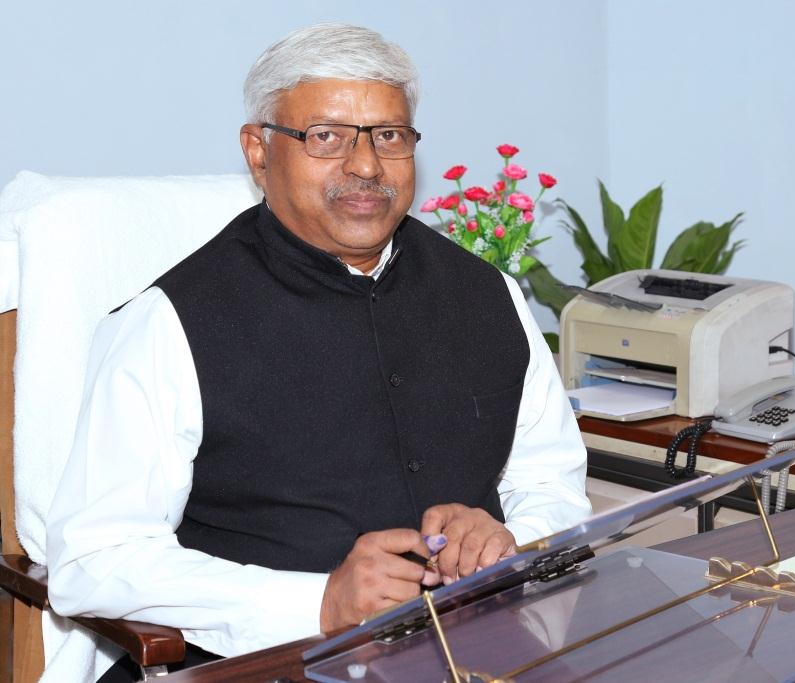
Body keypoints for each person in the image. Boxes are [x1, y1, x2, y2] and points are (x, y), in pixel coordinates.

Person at [45, 23, 590, 678]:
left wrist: (505, 540)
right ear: (258, 152)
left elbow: (549, 480)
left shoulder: (486, 294)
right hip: (268, 664)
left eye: (389, 136)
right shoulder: (169, 324)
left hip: (474, 656)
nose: (366, 166)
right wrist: (318, 602)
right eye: (326, 137)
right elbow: (93, 560)